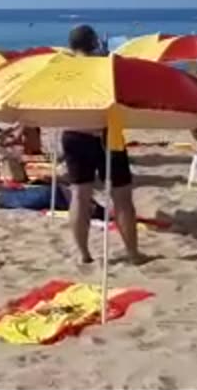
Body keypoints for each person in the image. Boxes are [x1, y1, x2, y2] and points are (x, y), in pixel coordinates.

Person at [60, 25, 143, 266]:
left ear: (71, 46)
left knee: (79, 196)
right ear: (94, 42)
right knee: (122, 196)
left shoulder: (64, 72)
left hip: (73, 133)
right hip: (106, 134)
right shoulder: (105, 67)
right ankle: (133, 254)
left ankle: (83, 254)